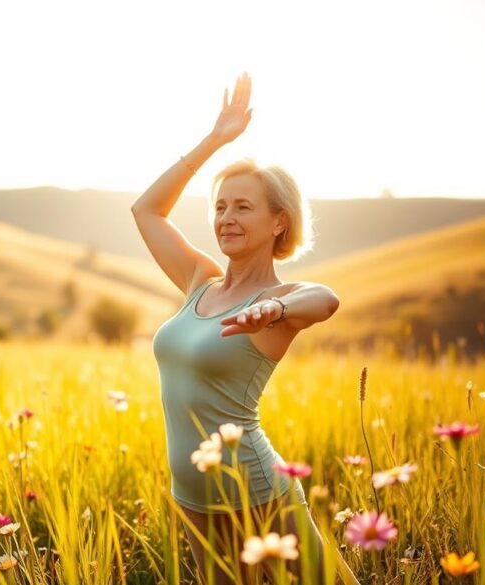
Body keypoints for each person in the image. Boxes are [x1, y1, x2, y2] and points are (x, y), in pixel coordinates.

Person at [131, 72, 359, 584]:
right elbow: (146, 210)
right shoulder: (199, 280)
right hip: (192, 492)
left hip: (253, 489)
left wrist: (274, 312)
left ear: (279, 222)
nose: (226, 218)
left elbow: (325, 299)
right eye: (220, 206)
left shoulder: (275, 300)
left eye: (243, 206)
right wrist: (215, 140)